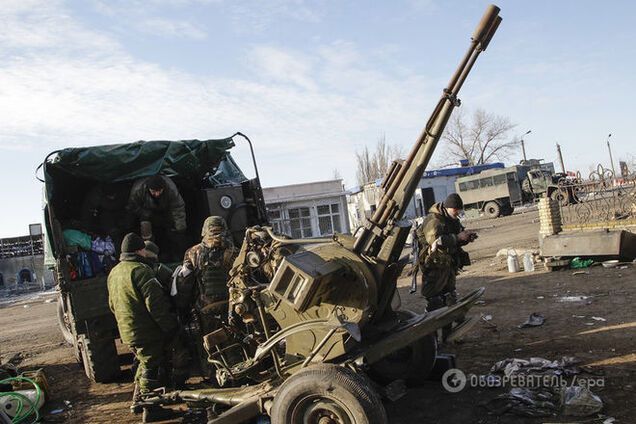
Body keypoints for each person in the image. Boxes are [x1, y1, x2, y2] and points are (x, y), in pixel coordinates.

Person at [107, 233, 178, 421]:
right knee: (151, 365)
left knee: (142, 361)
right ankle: (151, 408)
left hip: (127, 330)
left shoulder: (114, 272)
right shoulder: (141, 271)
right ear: (139, 250)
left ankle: (137, 402)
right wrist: (170, 326)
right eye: (144, 249)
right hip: (145, 330)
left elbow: (112, 305)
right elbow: (156, 306)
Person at [176, 216, 236, 377]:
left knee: (209, 344)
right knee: (233, 340)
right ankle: (237, 374)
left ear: (204, 231)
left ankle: (214, 378)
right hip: (231, 306)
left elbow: (185, 282)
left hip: (205, 308)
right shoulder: (234, 251)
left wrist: (183, 306)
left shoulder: (193, 252)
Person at [415, 193, 477, 336]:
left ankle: (448, 333)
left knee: (449, 298)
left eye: (459, 210)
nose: (458, 213)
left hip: (447, 265)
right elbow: (436, 241)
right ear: (448, 208)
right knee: (435, 301)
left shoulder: (452, 219)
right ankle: (430, 338)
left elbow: (457, 236)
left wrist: (466, 238)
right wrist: (457, 237)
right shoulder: (434, 220)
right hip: (435, 266)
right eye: (456, 210)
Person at [127, 175, 187, 262]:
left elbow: (178, 207)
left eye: (160, 191)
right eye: (154, 191)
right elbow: (132, 206)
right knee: (146, 228)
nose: (157, 194)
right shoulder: (138, 189)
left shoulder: (170, 188)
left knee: (175, 232)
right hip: (146, 213)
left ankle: (176, 255)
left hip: (165, 211)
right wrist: (146, 214)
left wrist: (180, 227)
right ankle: (149, 256)